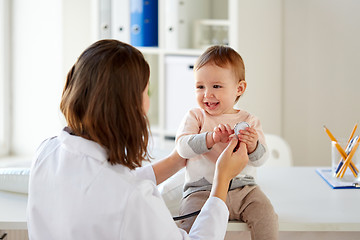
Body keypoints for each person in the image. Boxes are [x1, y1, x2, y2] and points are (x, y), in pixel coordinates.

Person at [27, 39, 249, 240]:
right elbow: (123, 191)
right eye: (146, 92)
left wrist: (175, 160)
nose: (148, 103)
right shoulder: (135, 200)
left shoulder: (47, 150)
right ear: (129, 104)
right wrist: (222, 180)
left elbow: (109, 183)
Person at [176, 45, 278, 239]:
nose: (207, 94)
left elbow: (261, 160)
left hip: (244, 189)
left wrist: (253, 146)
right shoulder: (196, 117)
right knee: (189, 223)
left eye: (216, 86)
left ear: (239, 88)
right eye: (200, 87)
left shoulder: (249, 120)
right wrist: (210, 138)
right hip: (202, 190)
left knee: (267, 216)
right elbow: (182, 147)